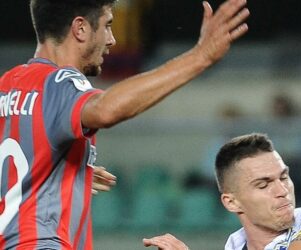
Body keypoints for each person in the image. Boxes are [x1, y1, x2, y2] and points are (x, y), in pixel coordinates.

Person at [0, 0, 249, 248]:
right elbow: (105, 110)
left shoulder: (8, 85)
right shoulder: (60, 82)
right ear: (81, 29)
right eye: (107, 25)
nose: (111, 40)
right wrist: (200, 57)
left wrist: (64, 171)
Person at [144, 133, 301, 250]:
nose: (282, 190)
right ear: (231, 202)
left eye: (284, 177)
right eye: (263, 184)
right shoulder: (234, 246)